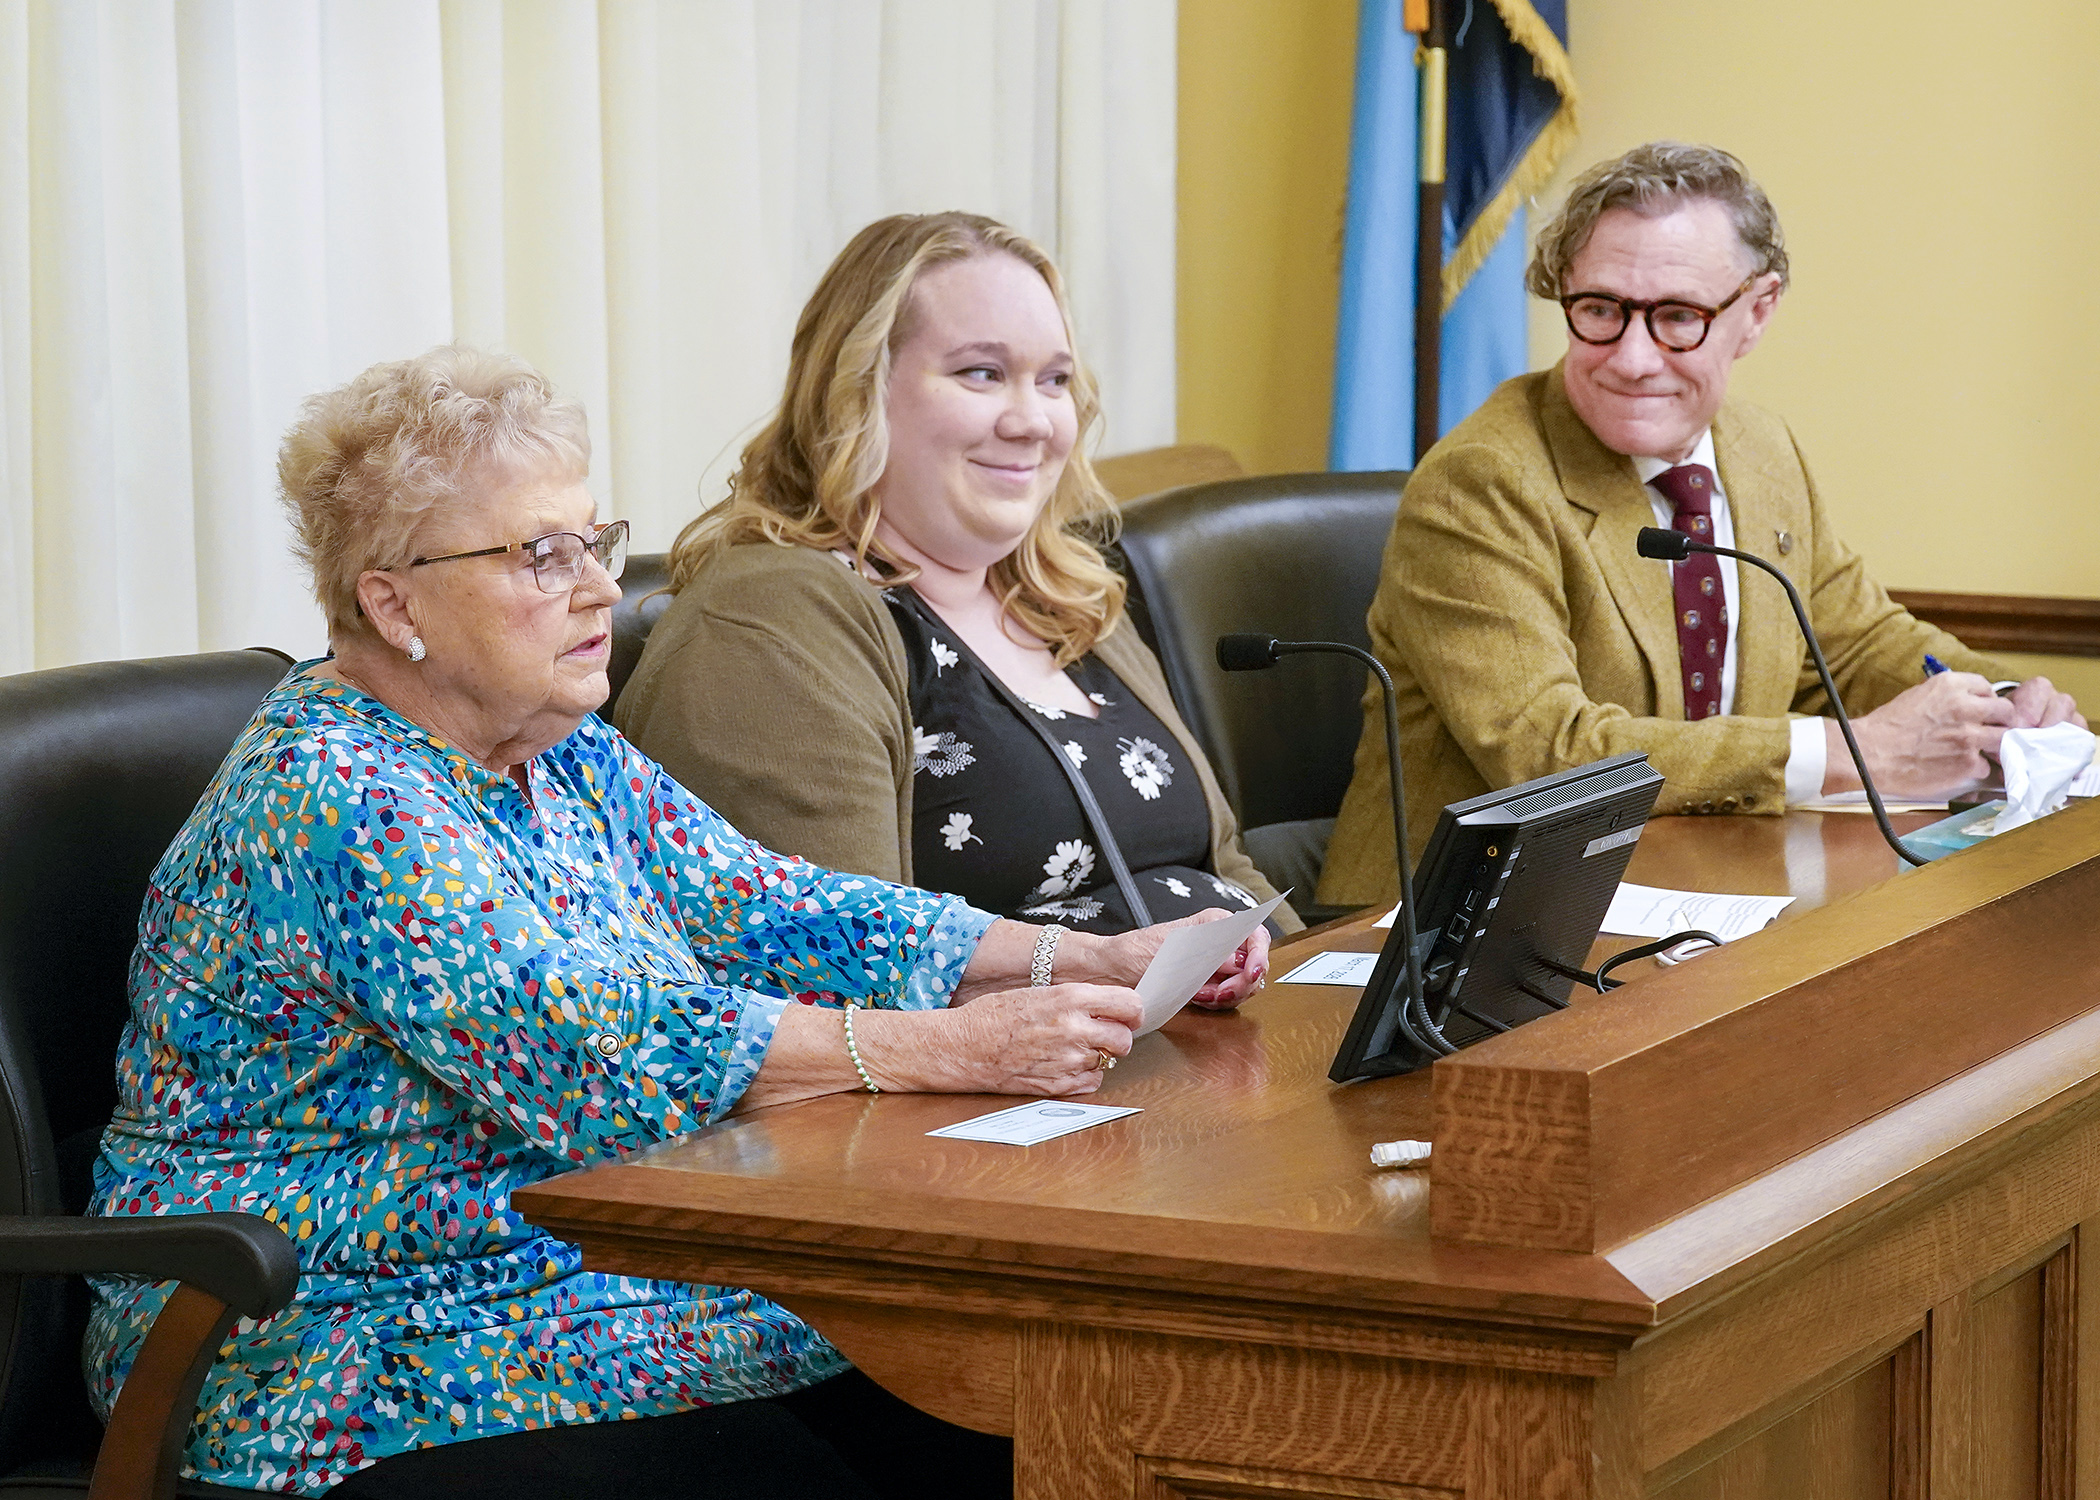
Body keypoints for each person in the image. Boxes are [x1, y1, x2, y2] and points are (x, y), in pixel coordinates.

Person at [84, 346, 1268, 1498]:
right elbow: (594, 1050)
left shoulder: (555, 743)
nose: (602, 585)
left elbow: (770, 901)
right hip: (326, 1343)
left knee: (1015, 1393)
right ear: (395, 604)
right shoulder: (334, 794)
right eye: (541, 556)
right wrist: (948, 1048)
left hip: (566, 1277)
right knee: (933, 1401)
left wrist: (1073, 954)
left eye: (592, 541)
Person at [1318, 142, 2085, 907]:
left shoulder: (1761, 450)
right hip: (1446, 934)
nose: (1633, 358)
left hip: (1697, 888)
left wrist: (2000, 704)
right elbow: (1551, 756)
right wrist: (1866, 753)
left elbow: (1857, 643)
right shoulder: (1482, 482)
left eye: (1677, 317)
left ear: (1757, 313)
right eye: (1599, 311)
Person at [615, 213, 1300, 937]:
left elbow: (1229, 871)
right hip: (1037, 1051)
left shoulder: (1065, 593)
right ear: (856, 391)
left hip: (1248, 1039)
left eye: (1055, 379)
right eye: (983, 373)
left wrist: (1325, 1002)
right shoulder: (770, 624)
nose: (1033, 420)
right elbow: (850, 971)